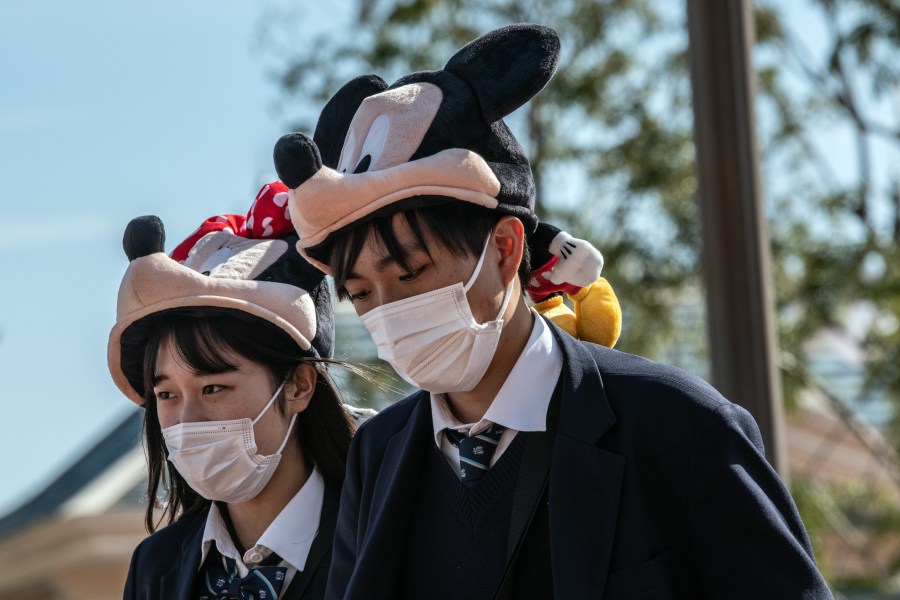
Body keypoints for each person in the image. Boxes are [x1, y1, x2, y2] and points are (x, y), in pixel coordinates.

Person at [274, 24, 833, 600]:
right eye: (362, 294)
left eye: (411, 273)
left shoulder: (679, 426)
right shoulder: (378, 452)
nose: (389, 311)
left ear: (506, 247)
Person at [108, 184, 371, 600]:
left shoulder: (380, 535)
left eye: (213, 387)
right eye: (167, 395)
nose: (187, 421)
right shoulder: (155, 568)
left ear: (299, 385)